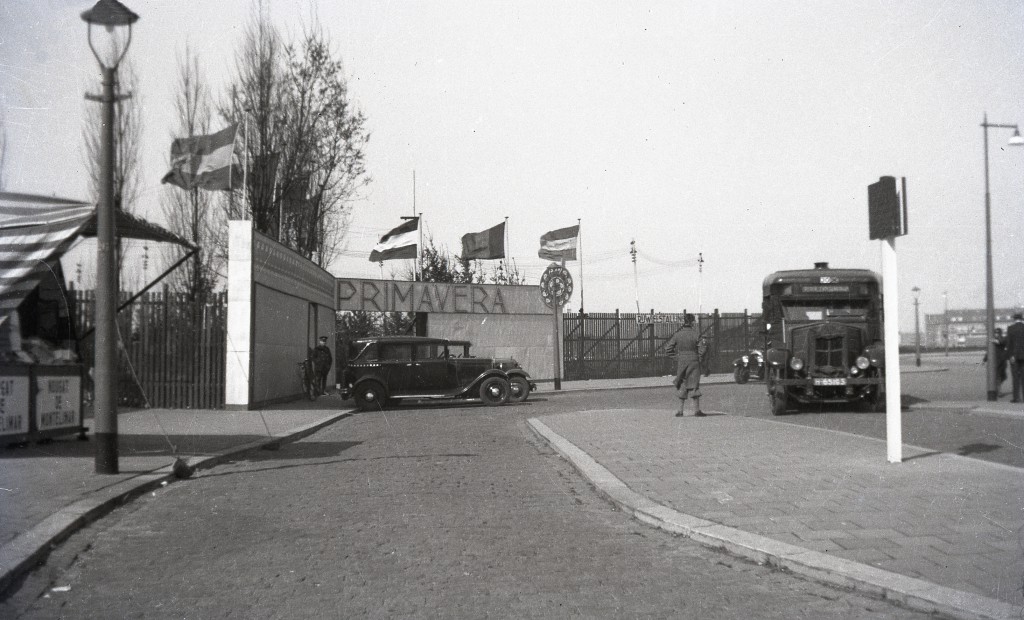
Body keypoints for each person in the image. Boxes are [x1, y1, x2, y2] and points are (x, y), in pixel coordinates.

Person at [665, 313, 705, 417]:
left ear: (684, 322)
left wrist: (676, 357)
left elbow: (668, 349)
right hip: (694, 361)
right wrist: (698, 357)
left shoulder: (677, 335)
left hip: (682, 361)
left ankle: (680, 411)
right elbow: (702, 349)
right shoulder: (696, 334)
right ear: (692, 322)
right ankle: (697, 411)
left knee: (682, 384)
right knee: (694, 385)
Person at [1005, 313, 1024, 403]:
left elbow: (1009, 344)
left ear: (1014, 319)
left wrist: (1010, 355)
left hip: (1014, 356)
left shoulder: (1011, 328)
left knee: (1015, 377)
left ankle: (1016, 398)